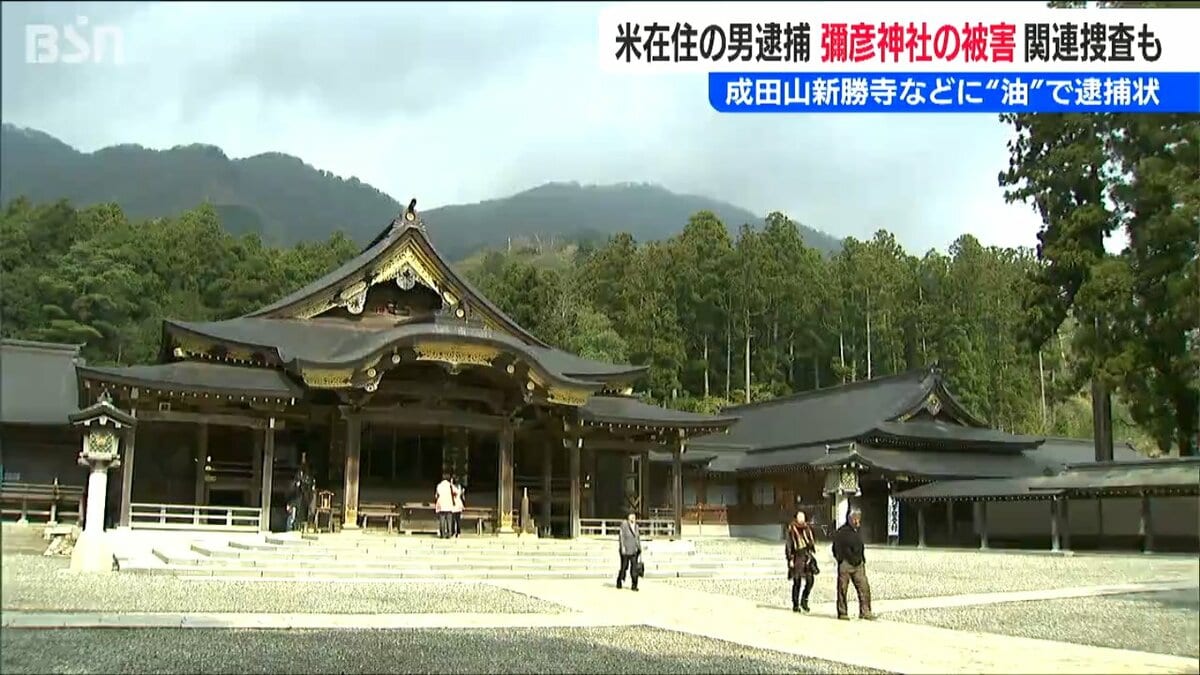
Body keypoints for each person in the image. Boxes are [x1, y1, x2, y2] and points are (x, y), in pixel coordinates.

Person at [832, 508, 875, 620]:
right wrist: (841, 560)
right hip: (846, 564)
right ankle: (842, 612)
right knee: (842, 589)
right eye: (855, 518)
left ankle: (865, 611)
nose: (857, 521)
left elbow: (860, 547)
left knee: (864, 588)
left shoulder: (858, 532)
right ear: (850, 519)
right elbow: (835, 548)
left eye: (858, 518)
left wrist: (862, 559)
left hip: (858, 564)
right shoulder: (841, 532)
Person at [785, 509, 818, 613]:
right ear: (796, 518)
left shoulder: (807, 528)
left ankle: (804, 600)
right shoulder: (792, 529)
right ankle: (795, 604)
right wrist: (790, 558)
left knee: (810, 580)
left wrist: (811, 546)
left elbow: (811, 541)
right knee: (797, 581)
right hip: (797, 556)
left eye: (803, 517)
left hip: (806, 555)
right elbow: (789, 545)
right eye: (800, 517)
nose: (802, 519)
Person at [616, 512, 642, 591]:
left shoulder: (636, 526)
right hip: (625, 549)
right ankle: (619, 580)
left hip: (634, 550)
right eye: (631, 516)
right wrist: (622, 546)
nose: (633, 518)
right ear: (628, 517)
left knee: (634, 568)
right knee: (624, 567)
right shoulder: (624, 524)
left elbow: (637, 538)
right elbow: (621, 536)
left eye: (634, 517)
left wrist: (639, 548)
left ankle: (634, 585)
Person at [434, 474, 454, 539]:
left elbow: (437, 495)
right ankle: (449, 534)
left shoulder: (439, 485)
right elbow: (455, 493)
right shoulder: (450, 485)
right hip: (449, 504)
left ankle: (442, 534)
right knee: (449, 520)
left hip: (441, 504)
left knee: (442, 520)